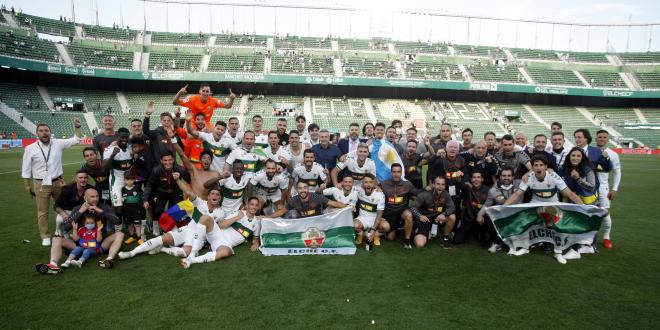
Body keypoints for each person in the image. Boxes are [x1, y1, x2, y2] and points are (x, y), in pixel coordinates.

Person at [119, 173, 224, 260]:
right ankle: (131, 253)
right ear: (208, 196)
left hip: (199, 238)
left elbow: (215, 228)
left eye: (217, 195)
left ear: (220, 198)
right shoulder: (200, 203)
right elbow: (188, 192)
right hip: (186, 230)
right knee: (161, 239)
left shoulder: (220, 212)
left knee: (185, 253)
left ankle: (162, 249)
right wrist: (178, 179)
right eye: (212, 194)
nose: (214, 196)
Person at [505, 154, 584, 264]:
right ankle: (525, 247)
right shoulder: (529, 177)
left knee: (557, 226)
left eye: (541, 165)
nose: (538, 167)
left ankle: (558, 253)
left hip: (553, 204)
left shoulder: (554, 176)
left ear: (546, 166)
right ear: (532, 167)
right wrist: (504, 206)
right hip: (536, 203)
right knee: (525, 221)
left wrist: (585, 207)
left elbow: (569, 193)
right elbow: (518, 194)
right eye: (535, 165)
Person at [22, 119, 82, 246]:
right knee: (43, 211)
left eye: (47, 131)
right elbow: (26, 168)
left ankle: (62, 230)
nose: (44, 133)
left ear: (50, 132)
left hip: (58, 181)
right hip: (41, 183)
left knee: (63, 208)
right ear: (37, 133)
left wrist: (77, 127)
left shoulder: (57, 143)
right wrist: (27, 184)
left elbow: (76, 139)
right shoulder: (30, 148)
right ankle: (45, 235)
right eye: (41, 131)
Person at [35, 188, 123, 274]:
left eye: (97, 196)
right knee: (56, 239)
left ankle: (108, 260)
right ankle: (53, 265)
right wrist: (80, 212)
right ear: (85, 197)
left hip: (99, 244)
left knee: (119, 234)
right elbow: (66, 227)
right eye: (92, 196)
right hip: (80, 244)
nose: (95, 198)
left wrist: (100, 211)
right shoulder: (78, 208)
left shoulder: (103, 207)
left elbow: (117, 221)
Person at [180, 197, 262, 269]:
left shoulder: (256, 223)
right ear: (247, 205)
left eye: (256, 205)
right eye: (252, 204)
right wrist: (237, 217)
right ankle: (192, 253)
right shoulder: (239, 213)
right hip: (217, 235)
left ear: (258, 207)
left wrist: (255, 244)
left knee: (226, 252)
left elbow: (255, 239)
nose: (254, 207)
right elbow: (221, 225)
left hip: (224, 244)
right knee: (205, 218)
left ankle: (192, 261)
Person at [143, 151, 190, 235]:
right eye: (165, 160)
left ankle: (171, 231)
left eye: (169, 160)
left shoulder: (180, 169)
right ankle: (156, 228)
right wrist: (145, 199)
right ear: (161, 161)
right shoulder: (156, 170)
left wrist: (181, 177)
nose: (167, 162)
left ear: (173, 160)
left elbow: (190, 180)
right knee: (157, 210)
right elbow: (149, 184)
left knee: (175, 212)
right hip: (161, 192)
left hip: (176, 192)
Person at [476, 166, 521, 253]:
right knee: (487, 220)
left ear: (513, 177)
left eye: (509, 175)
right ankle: (496, 242)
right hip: (502, 216)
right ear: (500, 177)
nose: (506, 178)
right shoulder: (493, 190)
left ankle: (517, 242)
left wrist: (548, 170)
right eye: (504, 175)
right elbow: (486, 205)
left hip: (517, 216)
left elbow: (532, 176)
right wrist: (479, 215)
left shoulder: (520, 185)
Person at [409, 176, 456, 249]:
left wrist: (444, 214)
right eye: (438, 184)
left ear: (445, 186)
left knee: (452, 217)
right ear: (433, 185)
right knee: (419, 244)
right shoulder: (424, 194)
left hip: (437, 219)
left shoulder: (446, 194)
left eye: (442, 184)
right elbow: (412, 207)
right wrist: (420, 216)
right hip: (424, 220)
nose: (440, 187)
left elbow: (452, 207)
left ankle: (445, 239)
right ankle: (417, 231)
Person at [379, 163, 418, 248]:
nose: (396, 174)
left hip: (401, 212)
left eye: (398, 172)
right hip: (388, 214)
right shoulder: (383, 184)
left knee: (408, 214)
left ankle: (407, 240)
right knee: (391, 238)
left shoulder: (407, 184)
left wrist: (427, 190)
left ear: (401, 173)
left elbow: (418, 194)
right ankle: (394, 231)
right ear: (391, 173)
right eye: (394, 172)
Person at [595, 130, 621, 249]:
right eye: (599, 137)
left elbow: (617, 172)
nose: (602, 139)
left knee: (605, 213)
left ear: (607, 139)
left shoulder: (613, 154)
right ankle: (587, 236)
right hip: (588, 187)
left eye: (604, 137)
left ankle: (606, 237)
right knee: (587, 211)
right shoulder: (590, 151)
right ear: (596, 139)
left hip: (603, 188)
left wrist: (614, 189)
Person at [267, 181, 346, 219]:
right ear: (297, 190)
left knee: (333, 210)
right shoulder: (294, 200)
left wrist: (348, 206)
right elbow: (281, 211)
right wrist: (267, 217)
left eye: (305, 188)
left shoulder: (316, 197)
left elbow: (334, 203)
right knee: (290, 213)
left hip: (318, 219)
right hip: (302, 221)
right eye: (300, 188)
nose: (303, 190)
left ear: (308, 189)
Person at [452, 171, 490, 245]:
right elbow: (461, 183)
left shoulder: (488, 190)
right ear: (471, 180)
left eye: (479, 177)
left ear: (482, 179)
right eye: (474, 177)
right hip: (470, 220)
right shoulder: (468, 189)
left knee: (484, 243)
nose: (476, 179)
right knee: (457, 240)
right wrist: (459, 177)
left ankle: (482, 234)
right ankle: (473, 232)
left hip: (482, 220)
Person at [103, 128, 133, 220]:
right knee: (117, 203)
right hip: (116, 180)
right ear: (117, 136)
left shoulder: (130, 147)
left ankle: (127, 223)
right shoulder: (109, 149)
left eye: (126, 137)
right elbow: (104, 168)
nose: (124, 139)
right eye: (122, 137)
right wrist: (112, 155)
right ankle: (117, 227)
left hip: (128, 179)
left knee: (129, 203)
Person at [353, 173, 388, 248]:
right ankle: (361, 235)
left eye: (371, 182)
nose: (368, 184)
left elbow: (379, 215)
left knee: (386, 227)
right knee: (353, 226)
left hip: (375, 218)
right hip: (362, 218)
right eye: (365, 182)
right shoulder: (359, 189)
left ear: (374, 183)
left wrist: (373, 229)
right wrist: (340, 184)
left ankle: (374, 235)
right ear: (362, 183)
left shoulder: (380, 195)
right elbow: (347, 185)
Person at [121, 172, 145, 245]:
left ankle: (139, 238)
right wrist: (122, 199)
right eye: (127, 180)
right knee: (130, 224)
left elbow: (142, 196)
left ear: (134, 180)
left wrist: (143, 203)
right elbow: (121, 199)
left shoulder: (137, 188)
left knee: (137, 225)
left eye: (131, 180)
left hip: (136, 210)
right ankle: (132, 236)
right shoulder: (122, 189)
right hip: (127, 211)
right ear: (124, 180)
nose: (129, 181)